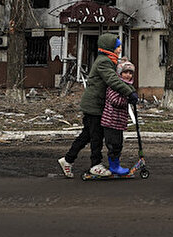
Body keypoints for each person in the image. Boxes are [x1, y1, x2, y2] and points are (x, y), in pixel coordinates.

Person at [57, 34, 138, 178]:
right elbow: (112, 80)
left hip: (96, 104)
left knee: (87, 135)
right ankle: (95, 165)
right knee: (96, 136)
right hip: (94, 105)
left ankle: (68, 159)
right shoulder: (104, 62)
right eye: (117, 46)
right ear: (109, 48)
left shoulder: (108, 61)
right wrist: (130, 92)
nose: (120, 49)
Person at [99, 59, 136, 176]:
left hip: (118, 122)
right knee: (113, 145)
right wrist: (127, 99)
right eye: (125, 72)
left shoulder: (126, 87)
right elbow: (114, 101)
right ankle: (114, 166)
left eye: (130, 73)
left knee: (119, 144)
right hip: (110, 121)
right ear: (120, 73)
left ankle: (116, 164)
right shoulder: (114, 86)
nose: (128, 75)